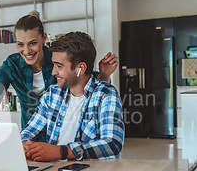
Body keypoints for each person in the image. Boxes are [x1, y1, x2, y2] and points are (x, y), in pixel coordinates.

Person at [0, 11, 119, 142]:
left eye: (32, 43)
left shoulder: (58, 58)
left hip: (60, 135)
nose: (26, 51)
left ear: (44, 38)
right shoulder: (11, 65)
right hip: (30, 133)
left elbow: (90, 85)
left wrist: (105, 74)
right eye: (20, 44)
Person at [21, 31, 124, 161]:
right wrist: (25, 143)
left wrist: (62, 151)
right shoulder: (52, 94)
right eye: (54, 65)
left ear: (80, 68)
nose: (53, 72)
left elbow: (112, 144)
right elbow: (29, 130)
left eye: (59, 66)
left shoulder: (106, 95)